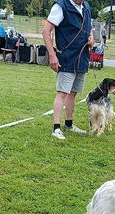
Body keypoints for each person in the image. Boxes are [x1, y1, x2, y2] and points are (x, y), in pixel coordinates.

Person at [42, 0, 93, 140]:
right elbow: (46, 31)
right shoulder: (61, 6)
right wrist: (52, 55)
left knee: (73, 93)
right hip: (67, 57)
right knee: (62, 93)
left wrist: (91, 38)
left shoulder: (86, 6)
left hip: (81, 58)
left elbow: (89, 28)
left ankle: (69, 124)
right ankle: (56, 128)